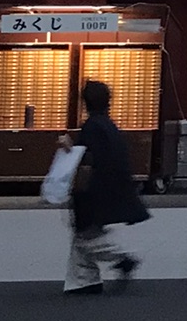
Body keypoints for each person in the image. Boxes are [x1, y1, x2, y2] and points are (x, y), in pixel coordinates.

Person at [63, 79, 150, 294]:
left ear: (85, 103)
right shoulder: (109, 126)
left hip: (95, 190)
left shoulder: (91, 127)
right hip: (112, 187)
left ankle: (120, 259)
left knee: (85, 235)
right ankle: (84, 280)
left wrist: (68, 149)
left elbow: (87, 160)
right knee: (83, 236)